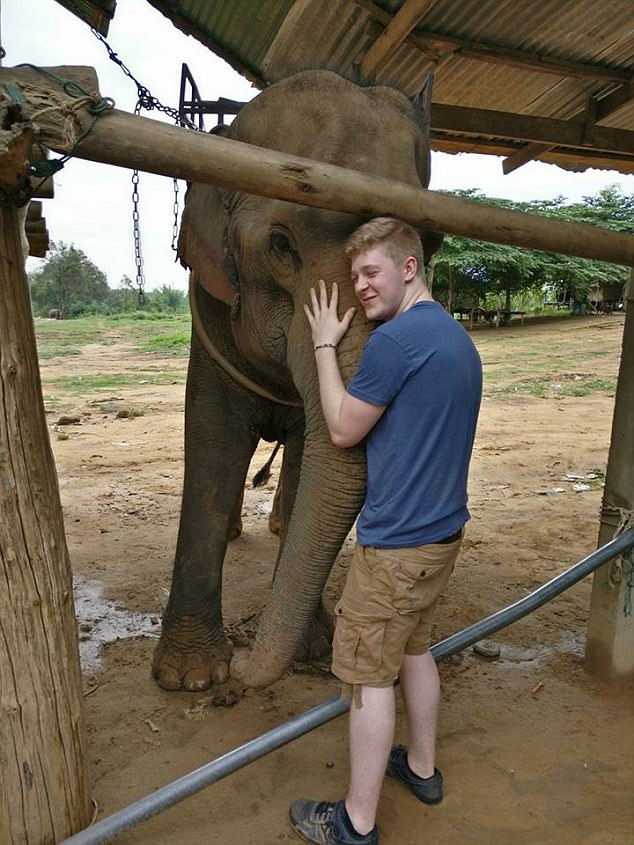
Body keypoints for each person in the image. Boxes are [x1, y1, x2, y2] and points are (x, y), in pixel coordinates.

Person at [289, 217, 482, 845]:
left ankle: (354, 822)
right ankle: (421, 768)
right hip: (441, 536)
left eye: (371, 273)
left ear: (409, 267)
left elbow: (344, 428)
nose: (361, 287)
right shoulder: (455, 338)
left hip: (396, 546)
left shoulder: (396, 343)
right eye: (354, 277)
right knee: (414, 648)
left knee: (368, 677)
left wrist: (323, 345)